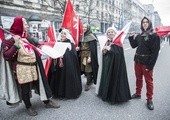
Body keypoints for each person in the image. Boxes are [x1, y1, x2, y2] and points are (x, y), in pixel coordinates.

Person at [1, 16, 60, 116]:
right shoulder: (9, 40)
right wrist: (16, 44)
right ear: (19, 25)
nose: (27, 25)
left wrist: (49, 50)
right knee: (25, 89)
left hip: (34, 66)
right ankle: (28, 106)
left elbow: (38, 45)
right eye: (25, 23)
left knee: (40, 84)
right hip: (22, 69)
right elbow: (7, 56)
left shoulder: (27, 37)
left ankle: (47, 102)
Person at [128, 17, 160, 110]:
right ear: (141, 24)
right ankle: (138, 93)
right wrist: (130, 37)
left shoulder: (154, 35)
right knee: (138, 78)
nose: (145, 24)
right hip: (137, 60)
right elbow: (134, 46)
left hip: (147, 63)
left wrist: (150, 66)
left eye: (146, 22)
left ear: (149, 24)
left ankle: (149, 99)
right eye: (143, 22)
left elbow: (155, 53)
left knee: (149, 82)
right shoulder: (140, 35)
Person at [96, 26, 131, 104]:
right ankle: (105, 93)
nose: (110, 33)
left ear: (115, 33)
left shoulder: (118, 42)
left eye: (112, 32)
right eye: (109, 32)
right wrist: (104, 51)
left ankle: (112, 96)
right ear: (107, 34)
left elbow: (119, 54)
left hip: (115, 66)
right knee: (106, 78)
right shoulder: (107, 42)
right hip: (106, 64)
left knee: (113, 78)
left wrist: (110, 50)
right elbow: (104, 53)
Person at [48, 29, 82, 99]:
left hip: (68, 65)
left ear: (67, 35)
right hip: (58, 64)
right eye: (62, 33)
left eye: (64, 34)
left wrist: (65, 56)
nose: (63, 35)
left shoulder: (70, 44)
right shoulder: (58, 43)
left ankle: (67, 93)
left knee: (66, 78)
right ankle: (59, 93)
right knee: (59, 78)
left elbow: (73, 55)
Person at [76, 23, 99, 91]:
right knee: (83, 69)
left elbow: (93, 49)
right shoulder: (81, 36)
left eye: (85, 27)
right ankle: (90, 79)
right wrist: (78, 48)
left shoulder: (91, 37)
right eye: (83, 27)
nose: (84, 28)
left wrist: (90, 57)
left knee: (88, 69)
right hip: (82, 55)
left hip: (88, 55)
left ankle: (88, 83)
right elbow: (81, 46)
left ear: (88, 28)